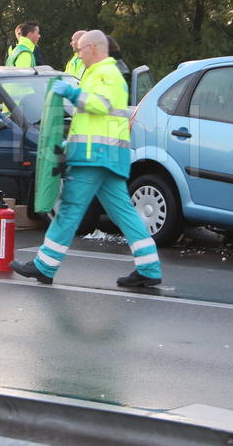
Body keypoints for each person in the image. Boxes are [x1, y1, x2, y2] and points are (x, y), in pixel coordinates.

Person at [10, 30, 162, 287]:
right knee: (124, 213)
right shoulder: (102, 73)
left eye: (80, 49)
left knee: (69, 209)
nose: (77, 54)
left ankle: (44, 265)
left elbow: (99, 105)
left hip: (94, 157)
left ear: (92, 48)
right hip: (106, 157)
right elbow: (96, 119)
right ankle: (149, 268)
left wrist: (70, 93)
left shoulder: (106, 73)